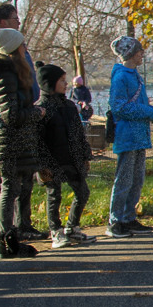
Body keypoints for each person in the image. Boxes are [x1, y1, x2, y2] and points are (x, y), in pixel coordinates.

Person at [0, 2, 45, 241]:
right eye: (15, 18)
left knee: (20, 186)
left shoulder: (13, 70)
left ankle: (19, 228)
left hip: (20, 138)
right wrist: (36, 113)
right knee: (6, 187)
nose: (25, 48)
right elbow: (10, 114)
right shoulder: (4, 74)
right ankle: (4, 235)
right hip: (8, 139)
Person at [35, 63, 95, 248]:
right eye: (61, 80)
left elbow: (79, 133)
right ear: (49, 83)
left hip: (73, 159)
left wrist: (85, 156)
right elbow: (37, 141)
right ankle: (56, 231)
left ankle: (72, 227)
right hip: (51, 161)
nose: (66, 83)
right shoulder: (41, 109)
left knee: (82, 192)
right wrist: (42, 166)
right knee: (54, 196)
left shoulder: (69, 106)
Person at [107, 36, 153, 238]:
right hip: (127, 135)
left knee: (137, 179)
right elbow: (119, 107)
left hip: (138, 135)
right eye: (139, 51)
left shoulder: (135, 75)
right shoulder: (121, 77)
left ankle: (129, 217)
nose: (142, 55)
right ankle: (115, 220)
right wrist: (149, 112)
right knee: (124, 180)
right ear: (130, 54)